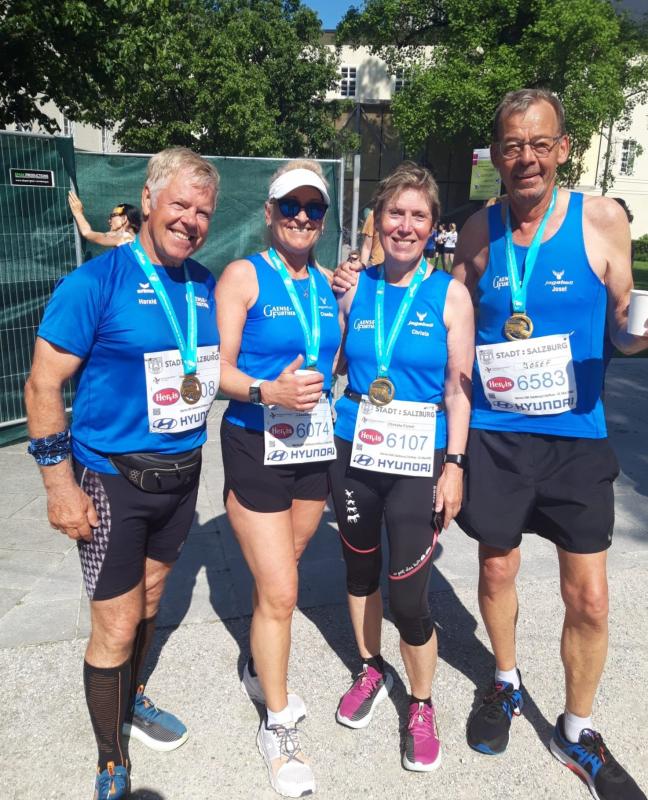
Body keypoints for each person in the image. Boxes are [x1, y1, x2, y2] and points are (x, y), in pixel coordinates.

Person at [452, 88, 648, 800]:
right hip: (497, 436)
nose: (526, 158)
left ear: (563, 148)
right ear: (496, 154)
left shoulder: (602, 219)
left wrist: (639, 336)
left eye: (540, 143)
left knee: (589, 598)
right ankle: (504, 681)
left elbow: (623, 324)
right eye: (512, 145)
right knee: (497, 570)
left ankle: (577, 729)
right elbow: (452, 317)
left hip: (576, 437)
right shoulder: (479, 229)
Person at [25, 147, 221, 800]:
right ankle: (112, 760)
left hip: (182, 477)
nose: (190, 220)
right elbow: (42, 385)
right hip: (112, 480)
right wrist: (58, 485)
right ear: (148, 199)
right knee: (114, 623)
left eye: (203, 211)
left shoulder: (204, 285)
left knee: (151, 602)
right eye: (180, 204)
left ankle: (130, 697)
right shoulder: (96, 282)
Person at [329, 162, 474, 772]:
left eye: (418, 216)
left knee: (409, 594)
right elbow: (334, 360)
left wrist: (455, 465)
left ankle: (420, 702)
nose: (406, 226)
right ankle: (370, 668)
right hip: (354, 447)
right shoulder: (353, 287)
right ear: (378, 220)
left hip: (419, 456)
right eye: (395, 213)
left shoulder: (450, 294)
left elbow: (458, 391)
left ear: (433, 227)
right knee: (359, 571)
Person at [216, 159, 341, 798]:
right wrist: (269, 390)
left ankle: (256, 662)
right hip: (255, 442)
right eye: (290, 206)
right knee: (283, 591)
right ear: (269, 213)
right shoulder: (244, 275)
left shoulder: (325, 282)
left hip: (312, 446)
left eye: (313, 208)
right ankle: (278, 723)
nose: (301, 217)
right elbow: (214, 371)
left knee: (281, 576)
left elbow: (334, 359)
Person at [68, 190, 141, 247]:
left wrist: (78, 213)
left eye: (112, 216)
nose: (109, 221)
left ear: (124, 219)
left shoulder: (125, 238)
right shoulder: (133, 239)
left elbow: (87, 233)